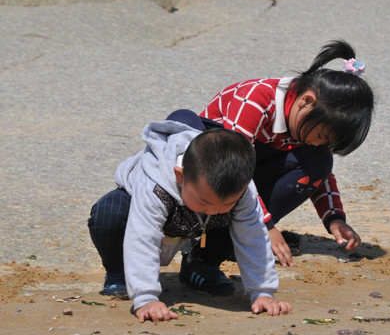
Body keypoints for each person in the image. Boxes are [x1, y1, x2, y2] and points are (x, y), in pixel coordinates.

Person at [173, 39, 374, 294]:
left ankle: (219, 250)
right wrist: (266, 226)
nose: (320, 142)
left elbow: (321, 175)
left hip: (245, 185)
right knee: (244, 177)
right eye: (322, 136)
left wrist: (334, 218)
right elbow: (234, 169)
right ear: (307, 101)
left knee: (320, 160)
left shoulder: (305, 123)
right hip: (208, 187)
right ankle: (201, 257)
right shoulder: (254, 100)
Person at [88, 111, 291, 322]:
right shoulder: (154, 181)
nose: (214, 210)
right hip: (148, 211)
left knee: (243, 220)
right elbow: (141, 237)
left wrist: (263, 292)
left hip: (200, 225)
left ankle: (200, 266)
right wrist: (146, 298)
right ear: (180, 175)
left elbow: (252, 236)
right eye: (205, 202)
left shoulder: (242, 186)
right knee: (109, 212)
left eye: (227, 203)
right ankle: (119, 274)